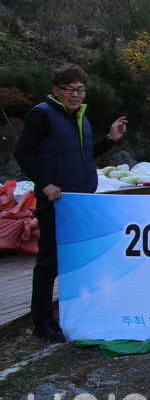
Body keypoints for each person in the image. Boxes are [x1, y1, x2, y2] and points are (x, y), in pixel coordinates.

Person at [14, 65, 127, 342]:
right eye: (69, 89)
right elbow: (23, 151)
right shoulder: (42, 114)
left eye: (80, 89)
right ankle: (42, 321)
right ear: (56, 90)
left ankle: (79, 309)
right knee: (49, 260)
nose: (75, 95)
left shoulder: (80, 118)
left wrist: (110, 140)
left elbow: (85, 155)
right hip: (57, 201)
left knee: (79, 258)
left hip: (80, 201)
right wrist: (44, 184)